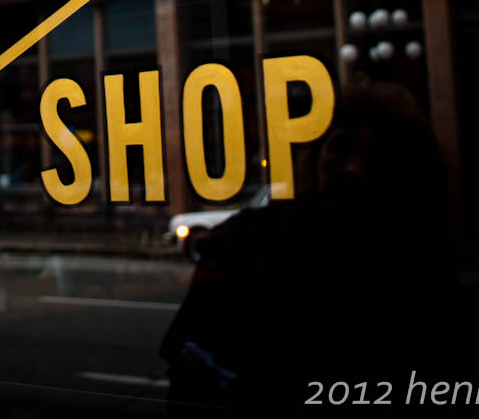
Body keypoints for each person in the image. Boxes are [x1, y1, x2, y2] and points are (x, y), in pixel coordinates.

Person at [160, 82, 457, 415]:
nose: (354, 169)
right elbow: (189, 368)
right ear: (315, 158)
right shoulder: (250, 239)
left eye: (379, 156)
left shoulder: (420, 270)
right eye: (339, 148)